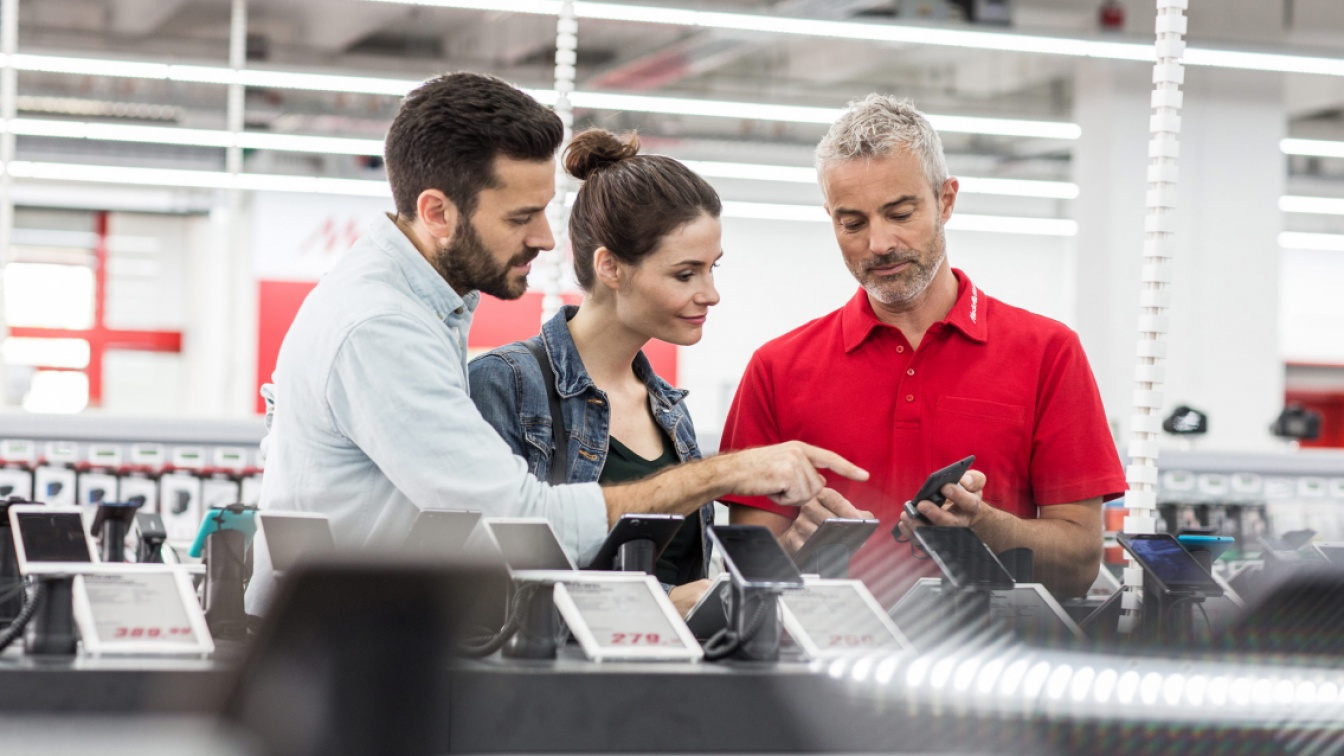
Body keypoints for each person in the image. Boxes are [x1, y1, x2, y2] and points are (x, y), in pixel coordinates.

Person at [248, 73, 867, 610]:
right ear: (437, 213)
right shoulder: (381, 328)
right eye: (520, 217)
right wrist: (723, 474)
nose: (547, 239)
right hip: (345, 649)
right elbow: (518, 526)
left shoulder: (430, 305)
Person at [721, 94, 1126, 606]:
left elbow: (1079, 567)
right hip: (819, 674)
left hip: (985, 672)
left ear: (947, 200)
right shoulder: (776, 370)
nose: (879, 242)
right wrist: (798, 545)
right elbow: (746, 576)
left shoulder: (1049, 353)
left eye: (900, 212)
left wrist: (984, 526)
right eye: (852, 222)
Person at [469, 128, 721, 616]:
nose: (710, 293)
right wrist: (662, 605)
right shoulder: (505, 385)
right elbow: (489, 588)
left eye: (714, 269)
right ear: (610, 267)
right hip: (551, 686)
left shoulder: (671, 410)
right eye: (686, 274)